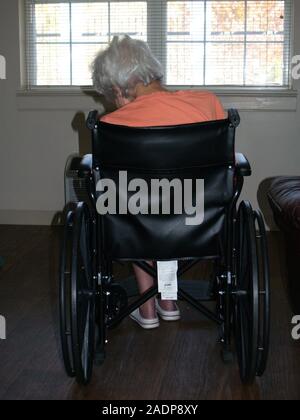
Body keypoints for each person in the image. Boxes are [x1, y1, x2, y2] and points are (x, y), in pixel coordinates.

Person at [92, 35, 226, 329]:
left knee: (130, 201)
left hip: (134, 223)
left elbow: (109, 183)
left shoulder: (110, 126)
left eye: (112, 96)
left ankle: (148, 308)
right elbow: (224, 165)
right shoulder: (207, 104)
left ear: (118, 89)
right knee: (174, 198)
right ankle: (168, 300)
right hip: (196, 217)